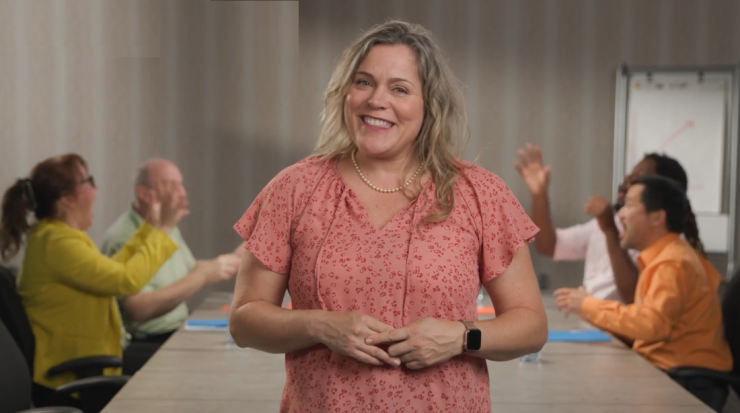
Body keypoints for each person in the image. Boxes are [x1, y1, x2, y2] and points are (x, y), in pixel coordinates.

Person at [228, 20, 547, 412]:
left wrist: (463, 337)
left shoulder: (480, 193)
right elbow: (244, 321)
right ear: (345, 93)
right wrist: (318, 325)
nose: (376, 100)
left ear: (429, 105)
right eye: (363, 82)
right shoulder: (294, 188)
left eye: (399, 88)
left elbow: (531, 326)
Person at [0, 154, 185, 407]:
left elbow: (116, 269)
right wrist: (165, 229)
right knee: (172, 371)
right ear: (66, 197)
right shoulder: (56, 243)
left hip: (90, 360)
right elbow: (127, 280)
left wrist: (151, 225)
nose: (96, 189)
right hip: (74, 372)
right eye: (88, 181)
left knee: (172, 362)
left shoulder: (61, 237)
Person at [554, 175, 733, 412]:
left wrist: (589, 305)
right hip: (676, 375)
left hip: (685, 383)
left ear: (657, 217)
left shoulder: (672, 262)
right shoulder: (668, 256)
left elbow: (652, 325)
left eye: (629, 205)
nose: (620, 215)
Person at [515, 145, 721, 304]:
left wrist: (609, 230)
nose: (626, 180)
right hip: (601, 328)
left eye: (638, 178)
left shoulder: (670, 248)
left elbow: (636, 303)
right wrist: (539, 195)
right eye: (629, 173)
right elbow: (547, 245)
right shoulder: (610, 222)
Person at [101, 158, 241, 375]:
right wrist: (204, 275)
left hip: (177, 331)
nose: (183, 193)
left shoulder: (168, 228)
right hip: (146, 343)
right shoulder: (123, 236)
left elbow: (190, 270)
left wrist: (237, 258)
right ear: (145, 194)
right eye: (171, 185)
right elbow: (139, 309)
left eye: (181, 184)